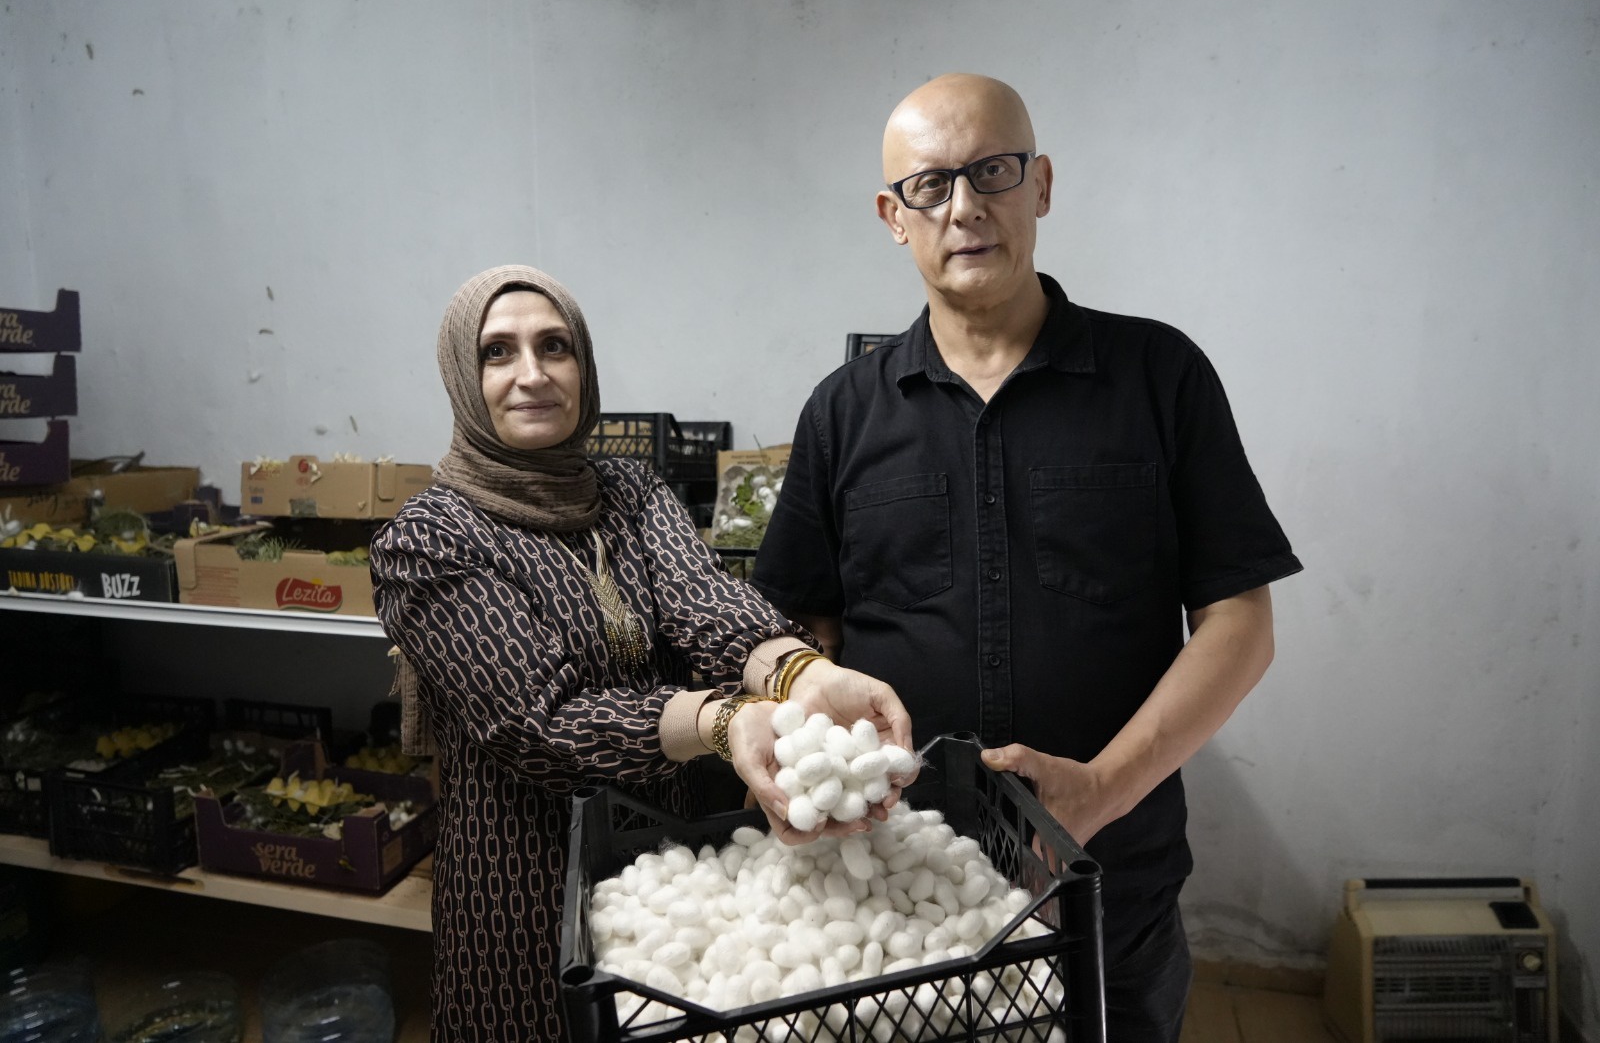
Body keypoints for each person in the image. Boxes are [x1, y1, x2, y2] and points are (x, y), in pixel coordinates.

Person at [751, 75, 1303, 1043]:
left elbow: (1239, 623)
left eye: (992, 172)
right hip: (898, 881)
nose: (964, 207)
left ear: (1039, 184)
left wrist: (1100, 792)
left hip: (1110, 876)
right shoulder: (843, 410)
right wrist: (804, 743)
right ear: (893, 215)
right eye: (929, 186)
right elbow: (805, 625)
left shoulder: (1158, 375)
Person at [368, 265, 913, 1042]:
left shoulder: (630, 490)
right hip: (525, 877)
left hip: (663, 857)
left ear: (583, 367)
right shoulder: (430, 537)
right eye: (498, 352)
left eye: (554, 346)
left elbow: (704, 602)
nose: (532, 374)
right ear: (463, 374)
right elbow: (539, 724)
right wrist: (723, 722)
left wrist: (805, 673)